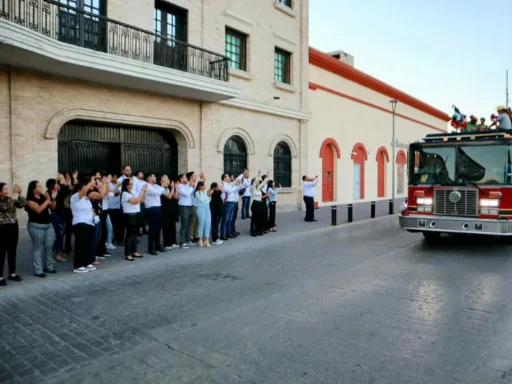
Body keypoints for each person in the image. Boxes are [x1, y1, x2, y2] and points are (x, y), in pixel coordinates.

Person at [25, 180, 57, 277]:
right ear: (34, 189)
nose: (41, 187)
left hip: (48, 225)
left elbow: (53, 207)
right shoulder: (29, 200)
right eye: (39, 186)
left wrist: (53, 198)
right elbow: (38, 210)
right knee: (38, 248)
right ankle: (38, 270)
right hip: (36, 226)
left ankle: (49, 267)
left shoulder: (43, 197)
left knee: (49, 246)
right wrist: (47, 201)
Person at [0, 183, 26, 285]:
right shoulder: (5, 201)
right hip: (2, 228)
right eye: (5, 189)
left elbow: (22, 204)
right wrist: (14, 195)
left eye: (8, 189)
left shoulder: (10, 199)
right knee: (1, 252)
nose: (8, 190)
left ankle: (12, 273)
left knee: (12, 251)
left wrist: (20, 193)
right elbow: (5, 207)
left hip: (13, 227)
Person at [70, 180, 97, 273]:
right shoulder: (75, 197)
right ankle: (78, 266)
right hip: (80, 223)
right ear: (79, 189)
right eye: (84, 187)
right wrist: (91, 182)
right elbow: (83, 191)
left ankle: (87, 262)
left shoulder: (86, 199)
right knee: (80, 244)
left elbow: (90, 210)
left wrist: (95, 217)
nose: (86, 189)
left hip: (89, 224)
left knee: (88, 244)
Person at [120, 178, 147, 261]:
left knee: (135, 234)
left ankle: (134, 251)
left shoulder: (133, 192)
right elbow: (135, 201)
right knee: (129, 234)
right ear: (126, 185)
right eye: (131, 183)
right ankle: (127, 253)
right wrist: (142, 192)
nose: (132, 185)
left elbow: (141, 200)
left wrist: (144, 192)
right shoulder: (125, 193)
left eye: (132, 183)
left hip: (137, 214)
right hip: (129, 215)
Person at [161, 176, 179, 250]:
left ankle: (173, 242)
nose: (168, 180)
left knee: (172, 227)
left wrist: (176, 188)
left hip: (171, 210)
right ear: (162, 179)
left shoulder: (168, 188)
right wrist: (172, 188)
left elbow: (175, 197)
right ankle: (167, 244)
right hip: (165, 210)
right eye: (167, 179)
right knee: (166, 227)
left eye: (168, 179)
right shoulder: (161, 189)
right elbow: (169, 196)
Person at [195, 181, 212, 247]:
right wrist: (208, 196)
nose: (205, 186)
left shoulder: (205, 192)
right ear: (200, 186)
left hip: (207, 207)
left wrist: (209, 196)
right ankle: (200, 239)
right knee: (202, 223)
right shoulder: (197, 193)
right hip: (201, 208)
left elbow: (209, 200)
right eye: (204, 185)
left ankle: (206, 239)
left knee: (208, 223)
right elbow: (201, 200)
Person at [250, 170, 266, 237]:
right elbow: (255, 181)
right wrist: (258, 174)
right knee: (254, 218)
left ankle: (258, 230)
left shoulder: (259, 188)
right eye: (257, 182)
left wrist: (267, 176)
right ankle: (252, 231)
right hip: (255, 204)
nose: (258, 183)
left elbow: (264, 182)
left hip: (260, 204)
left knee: (260, 218)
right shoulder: (253, 188)